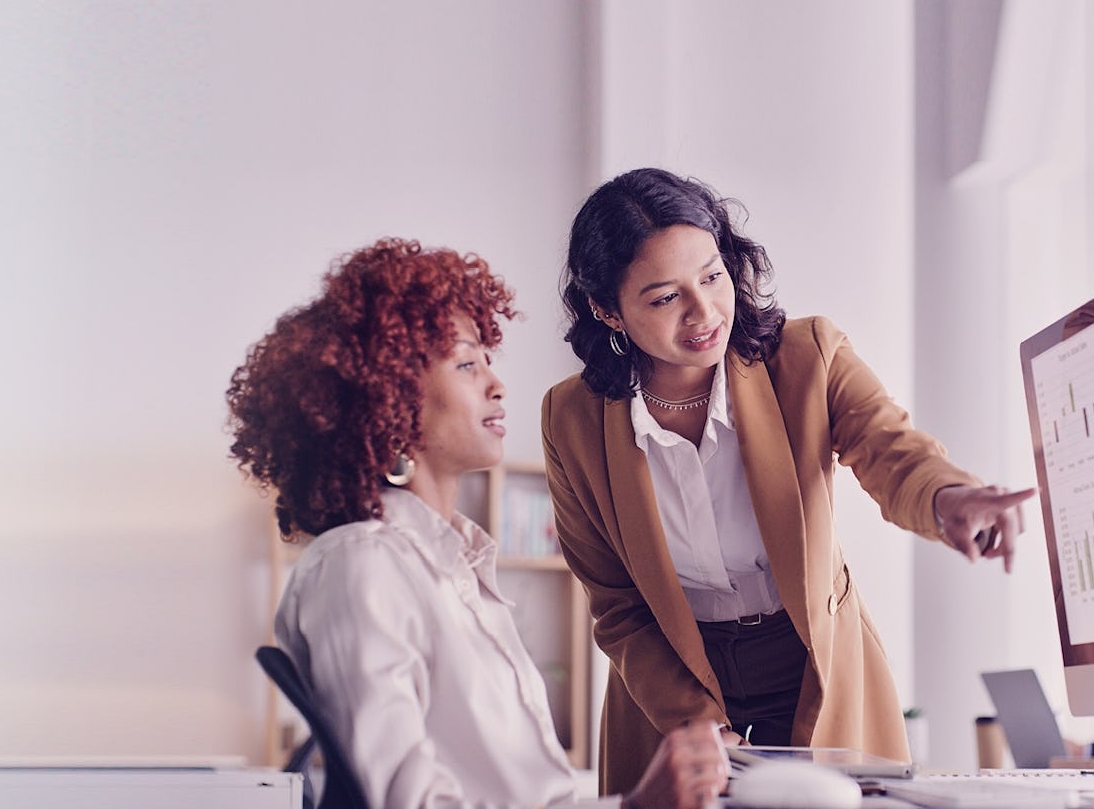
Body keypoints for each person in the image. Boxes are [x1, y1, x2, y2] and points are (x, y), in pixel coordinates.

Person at [539, 168, 1038, 795]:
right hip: (671, 684)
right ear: (606, 309)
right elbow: (618, 608)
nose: (703, 312)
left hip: (813, 665)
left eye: (713, 276)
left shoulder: (808, 356)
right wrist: (694, 725)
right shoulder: (573, 420)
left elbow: (891, 450)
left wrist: (948, 496)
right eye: (665, 297)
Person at [227, 238, 730, 809]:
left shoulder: (449, 563)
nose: (497, 385)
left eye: (487, 361)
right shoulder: (360, 566)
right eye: (467, 364)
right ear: (386, 400)